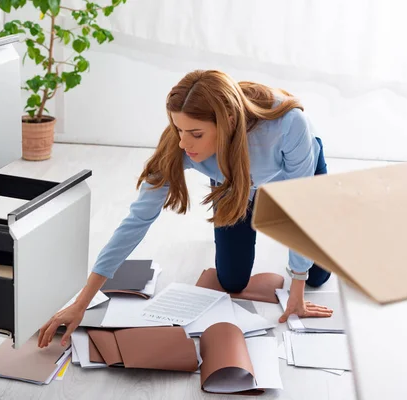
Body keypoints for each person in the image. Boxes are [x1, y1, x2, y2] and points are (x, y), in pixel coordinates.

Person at [38, 69, 334, 348]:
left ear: (228, 121)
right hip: (232, 183)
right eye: (178, 128)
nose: (183, 143)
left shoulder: (288, 125)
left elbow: (300, 205)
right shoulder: (180, 145)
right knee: (232, 280)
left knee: (316, 278)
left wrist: (297, 288)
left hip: (294, 180)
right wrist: (81, 303)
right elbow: (136, 221)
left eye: (195, 133)